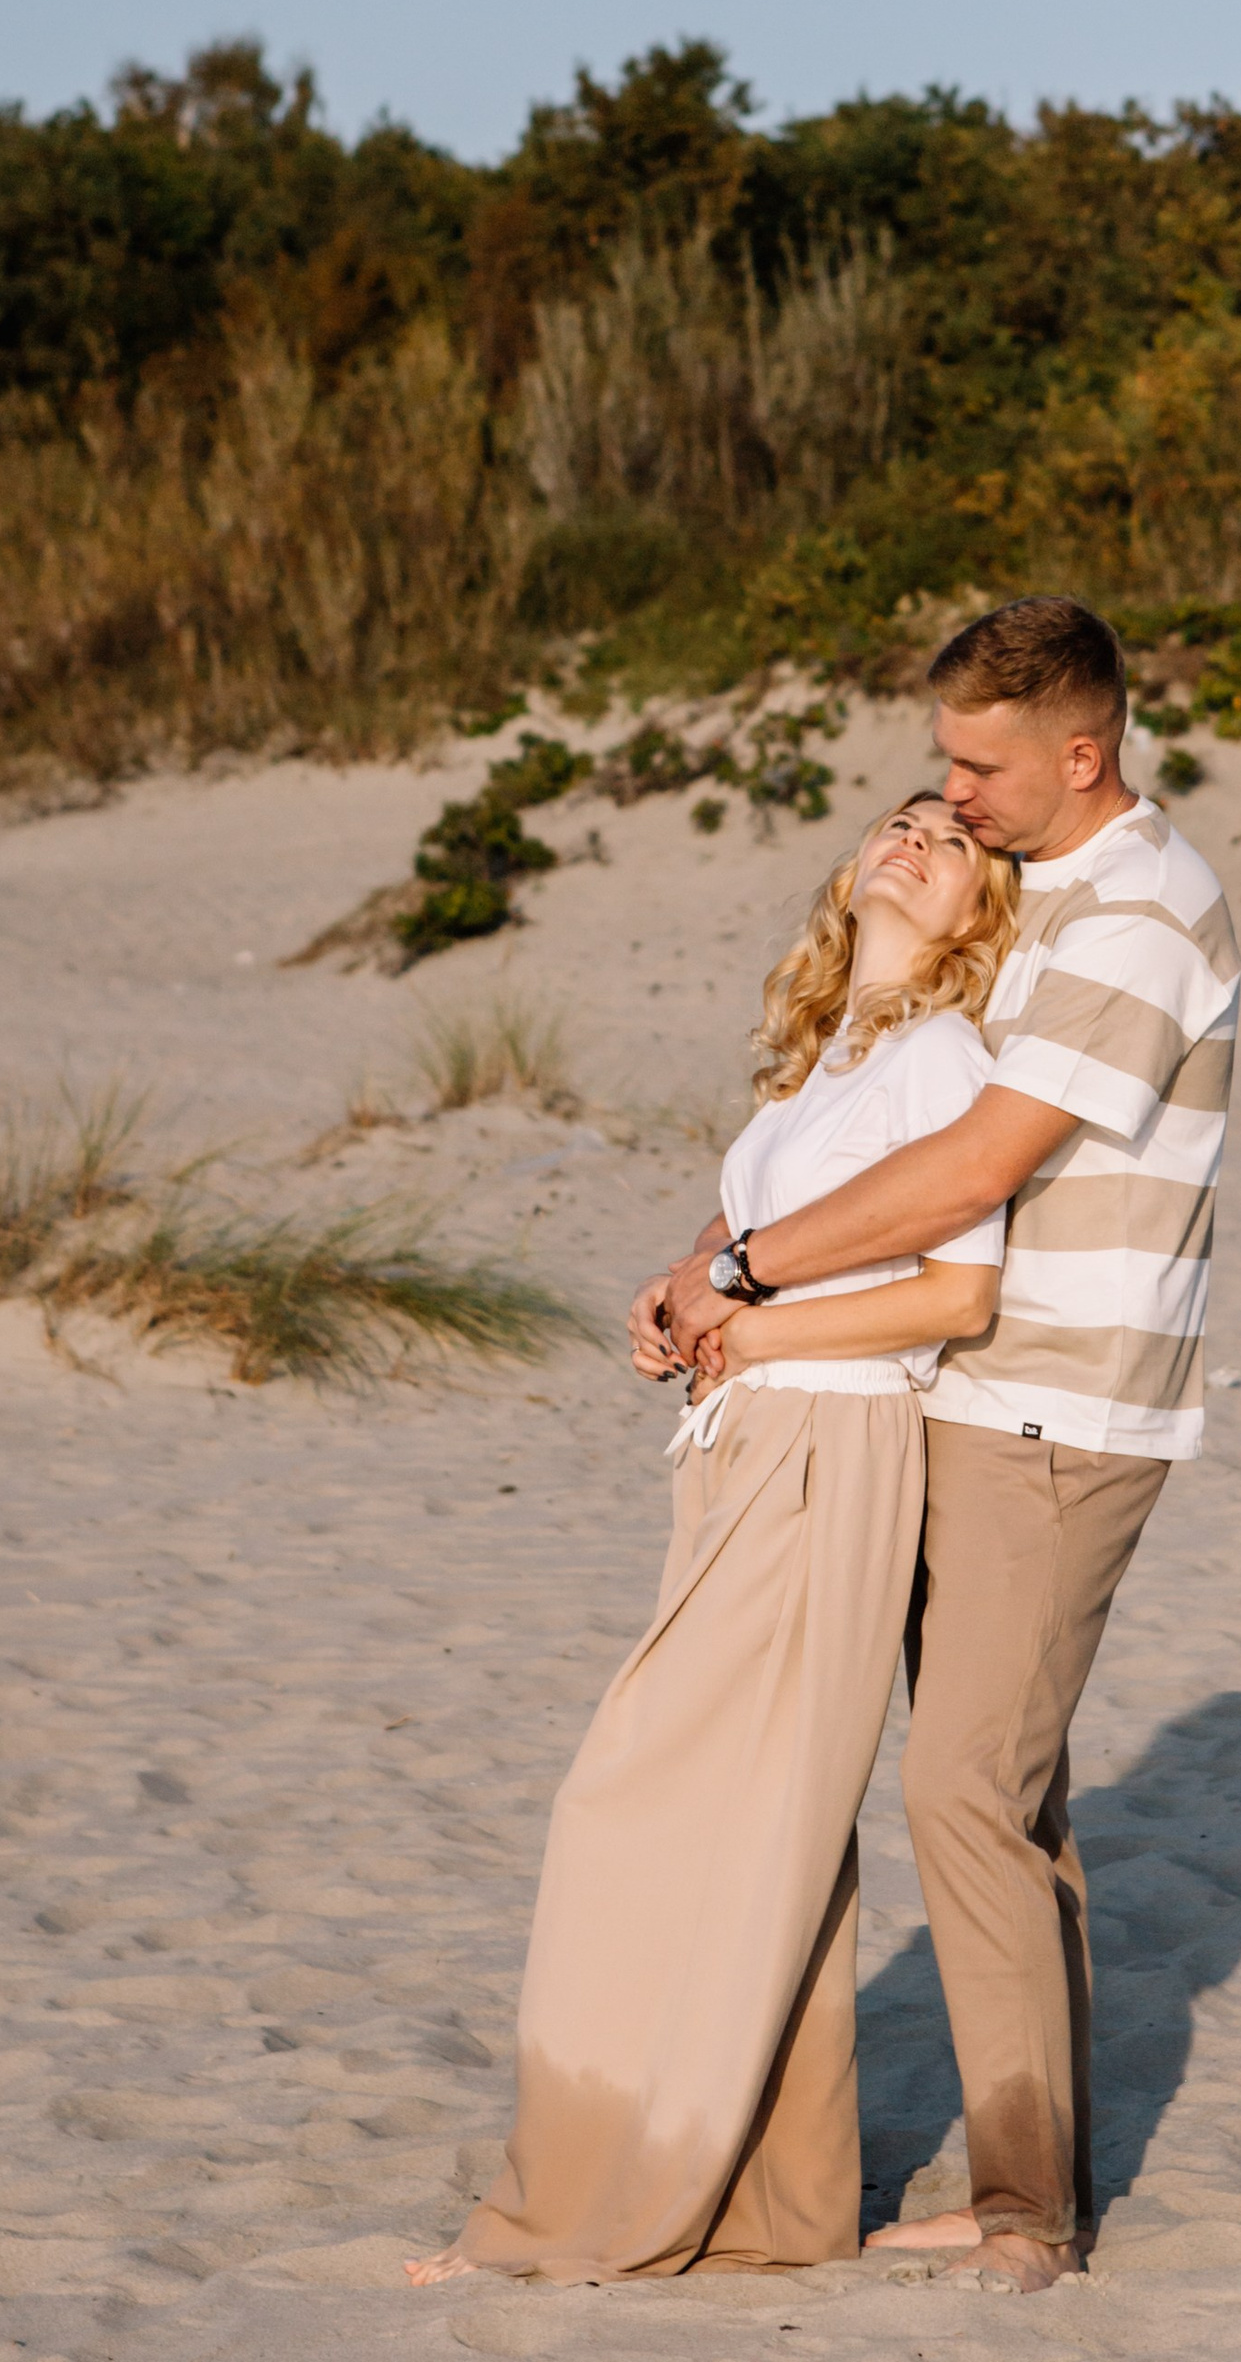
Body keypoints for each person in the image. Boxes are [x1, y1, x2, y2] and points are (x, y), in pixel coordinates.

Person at [645, 595, 1241, 2292]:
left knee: (962, 1785)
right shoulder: (1036, 881)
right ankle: (1030, 2178)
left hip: (1059, 1405)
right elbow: (873, 1096)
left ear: (1082, 749)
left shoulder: (1145, 911)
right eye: (943, 763)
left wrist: (747, 1275)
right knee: (1009, 1795)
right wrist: (711, 1253)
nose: (952, 793)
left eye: (981, 765)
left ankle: (1025, 2214)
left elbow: (977, 1162)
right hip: (950, 1393)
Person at [406, 792, 1020, 2286]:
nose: (916, 838)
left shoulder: (945, 1055)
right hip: (745, 1444)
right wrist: (679, 1291)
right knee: (767, 1829)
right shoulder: (827, 1055)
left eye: (954, 839)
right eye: (900, 821)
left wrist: (755, 1327)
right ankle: (774, 2203)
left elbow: (956, 1295)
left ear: (979, 915)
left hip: (829, 1448)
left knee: (630, 1798)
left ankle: (588, 2204)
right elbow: (750, 1239)